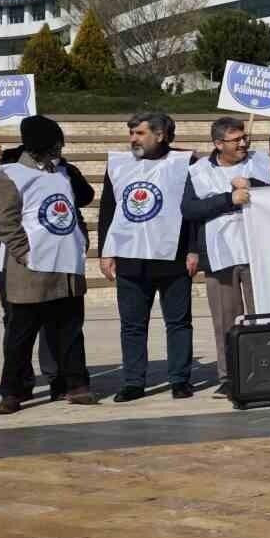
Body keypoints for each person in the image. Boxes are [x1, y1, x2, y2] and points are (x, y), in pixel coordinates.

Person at [0, 127, 96, 399]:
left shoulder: (64, 172)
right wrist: (25, 253)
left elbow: (79, 203)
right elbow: (6, 222)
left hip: (66, 266)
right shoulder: (8, 174)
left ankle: (76, 384)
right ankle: (12, 392)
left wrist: (81, 241)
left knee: (70, 330)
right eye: (57, 146)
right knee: (21, 334)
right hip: (30, 268)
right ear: (46, 147)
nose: (61, 151)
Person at [99, 111, 197, 402]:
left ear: (160, 135)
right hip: (130, 257)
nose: (133, 139)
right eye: (131, 133)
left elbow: (193, 209)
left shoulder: (185, 162)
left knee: (178, 322)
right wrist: (106, 250)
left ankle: (180, 379)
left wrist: (194, 249)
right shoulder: (118, 164)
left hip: (173, 257)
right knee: (132, 325)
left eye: (139, 133)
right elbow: (108, 209)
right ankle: (133, 382)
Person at [184, 116, 269, 397]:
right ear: (219, 144)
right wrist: (227, 199)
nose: (244, 143)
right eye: (236, 140)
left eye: (244, 137)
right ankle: (229, 374)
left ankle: (267, 368)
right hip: (220, 254)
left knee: (263, 315)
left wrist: (254, 185)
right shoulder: (197, 172)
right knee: (225, 318)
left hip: (257, 252)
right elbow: (190, 210)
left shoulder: (260, 161)